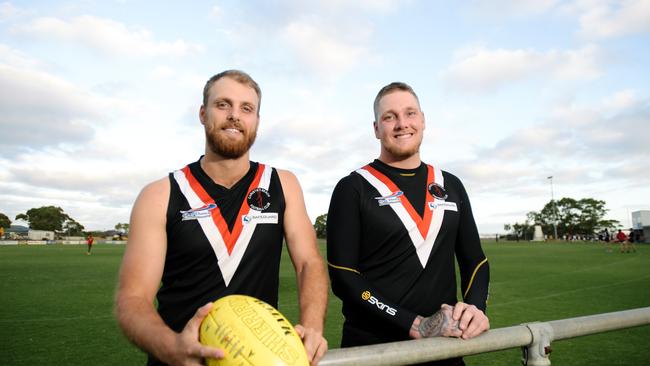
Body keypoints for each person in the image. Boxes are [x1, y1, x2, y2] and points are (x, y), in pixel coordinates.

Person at [115, 70, 329, 366]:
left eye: (246, 108)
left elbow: (309, 263)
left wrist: (313, 327)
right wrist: (171, 347)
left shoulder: (283, 184)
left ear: (257, 121)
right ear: (203, 114)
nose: (234, 115)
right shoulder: (159, 195)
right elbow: (132, 299)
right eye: (222, 105)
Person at [327, 81, 490, 365]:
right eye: (389, 117)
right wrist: (414, 324)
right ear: (376, 128)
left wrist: (475, 308)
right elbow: (344, 276)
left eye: (410, 113)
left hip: (443, 348)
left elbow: (475, 260)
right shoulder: (353, 187)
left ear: (423, 120)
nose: (402, 124)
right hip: (373, 351)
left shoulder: (450, 185)